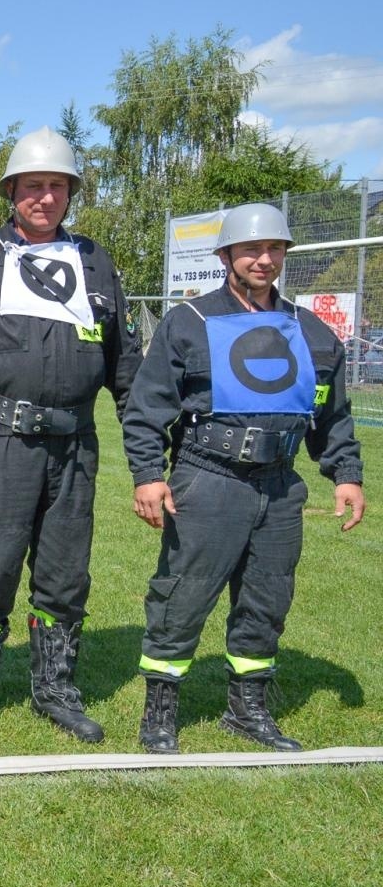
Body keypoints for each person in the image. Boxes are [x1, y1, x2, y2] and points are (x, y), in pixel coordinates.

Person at [124, 202, 364, 753]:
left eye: (274, 249)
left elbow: (332, 412)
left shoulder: (312, 332)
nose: (264, 259)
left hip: (281, 484)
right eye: (252, 249)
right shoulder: (191, 323)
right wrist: (146, 475)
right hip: (209, 478)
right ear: (226, 255)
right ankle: (160, 710)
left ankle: (247, 707)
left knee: (267, 597)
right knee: (182, 595)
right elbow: (147, 406)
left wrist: (345, 473)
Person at [0, 126, 140, 745]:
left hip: (77, 444)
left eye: (57, 186)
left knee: (65, 570)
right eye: (33, 186)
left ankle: (55, 688)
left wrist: (150, 464)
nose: (45, 197)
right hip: (1, 440)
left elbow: (125, 368)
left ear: (71, 192)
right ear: (12, 191)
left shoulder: (96, 261)